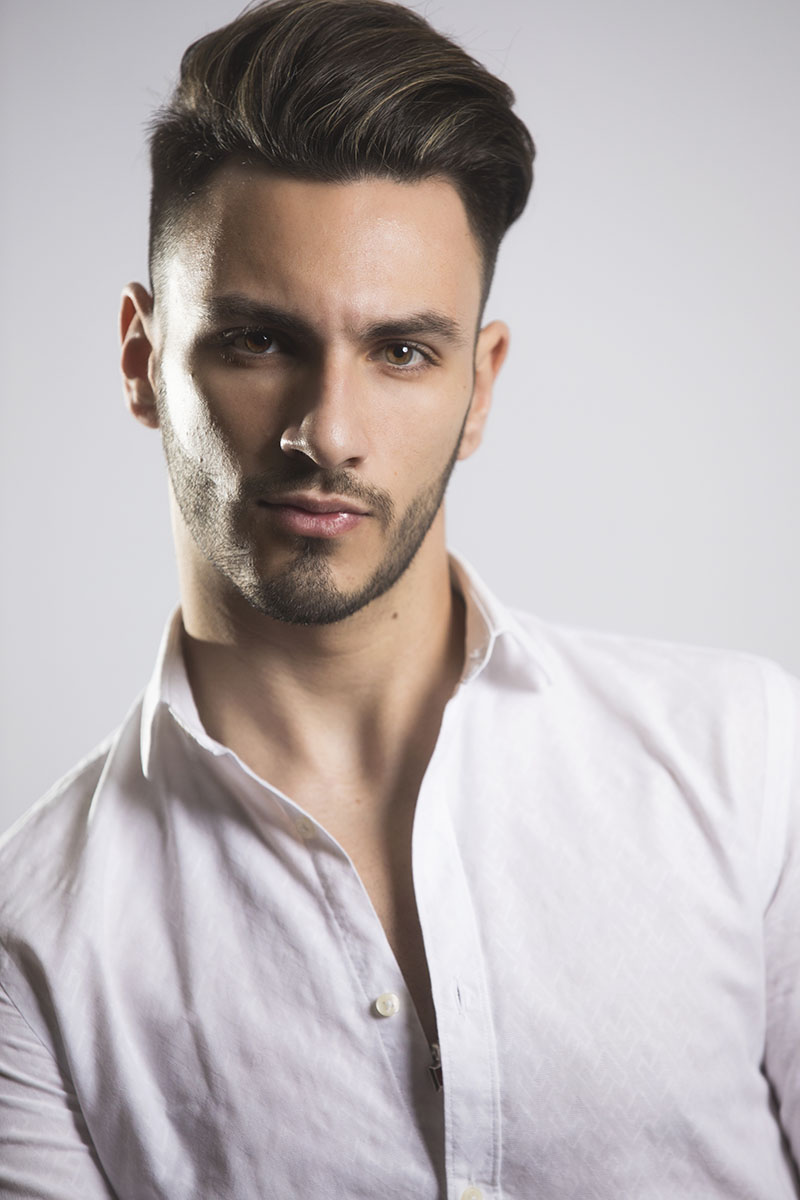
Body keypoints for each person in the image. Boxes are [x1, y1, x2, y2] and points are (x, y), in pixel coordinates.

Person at [1, 0, 798, 1195]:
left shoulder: (745, 761)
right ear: (140, 359)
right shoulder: (32, 950)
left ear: (479, 386)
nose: (328, 433)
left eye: (402, 352)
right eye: (258, 341)